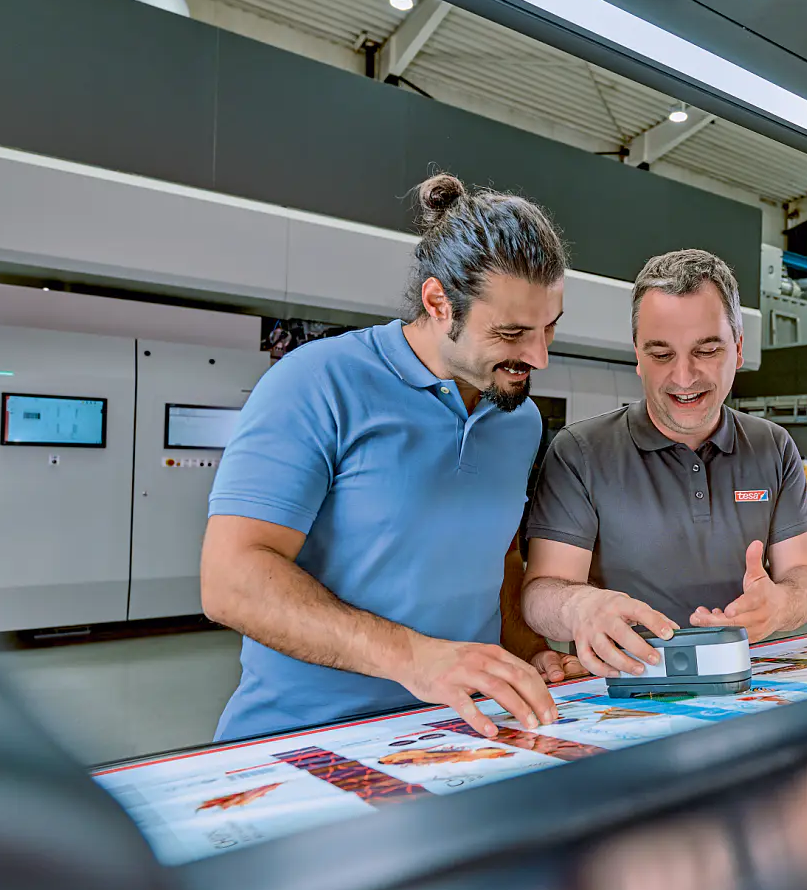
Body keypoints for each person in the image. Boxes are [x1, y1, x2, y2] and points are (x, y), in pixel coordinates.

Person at [201, 173, 568, 741]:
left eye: (549, 329)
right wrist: (414, 657)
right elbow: (231, 579)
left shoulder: (518, 420)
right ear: (438, 301)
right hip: (303, 741)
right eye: (513, 333)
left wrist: (527, 650)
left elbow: (496, 559)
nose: (538, 356)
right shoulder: (317, 382)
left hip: (458, 734)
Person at [520, 249, 807, 679]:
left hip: (745, 684)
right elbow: (538, 594)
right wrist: (580, 605)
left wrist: (782, 604)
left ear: (738, 349)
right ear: (637, 356)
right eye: (662, 354)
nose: (684, 377)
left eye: (706, 350)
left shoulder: (773, 447)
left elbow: (806, 574)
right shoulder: (580, 453)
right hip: (626, 692)